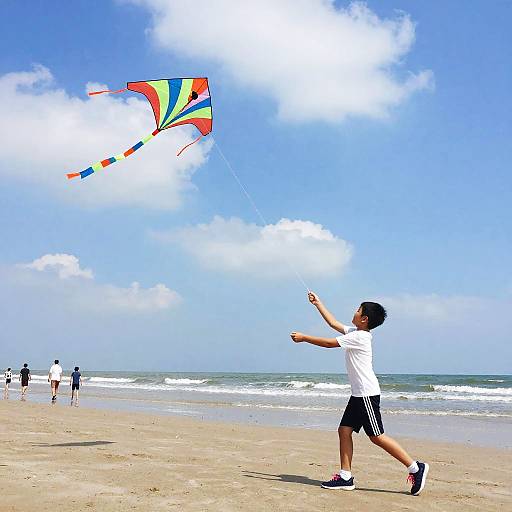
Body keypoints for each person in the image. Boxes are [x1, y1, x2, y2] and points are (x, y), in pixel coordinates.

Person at [290, 292, 429, 496]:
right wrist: (318, 303)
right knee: (344, 430)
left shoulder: (360, 337)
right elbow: (333, 323)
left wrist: (304, 338)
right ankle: (345, 477)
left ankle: (416, 468)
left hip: (366, 395)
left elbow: (329, 343)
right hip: (358, 395)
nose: (354, 312)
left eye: (358, 310)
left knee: (377, 436)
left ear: (364, 319)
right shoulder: (355, 332)